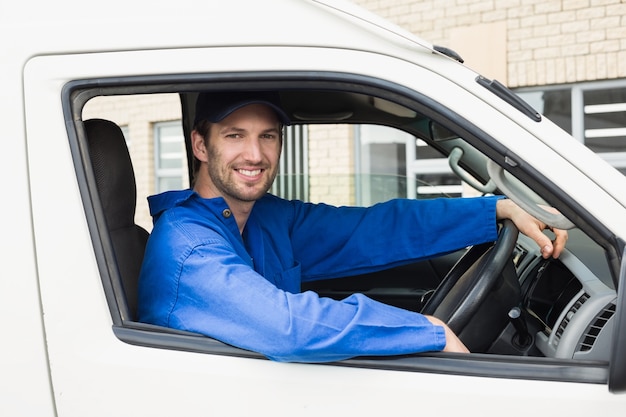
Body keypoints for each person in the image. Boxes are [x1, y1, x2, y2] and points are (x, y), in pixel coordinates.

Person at [137, 91, 567, 362]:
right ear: (200, 145)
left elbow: (372, 228)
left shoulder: (267, 218)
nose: (255, 153)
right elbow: (286, 327)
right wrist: (427, 330)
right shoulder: (187, 245)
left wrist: (495, 209)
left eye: (268, 136)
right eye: (234, 135)